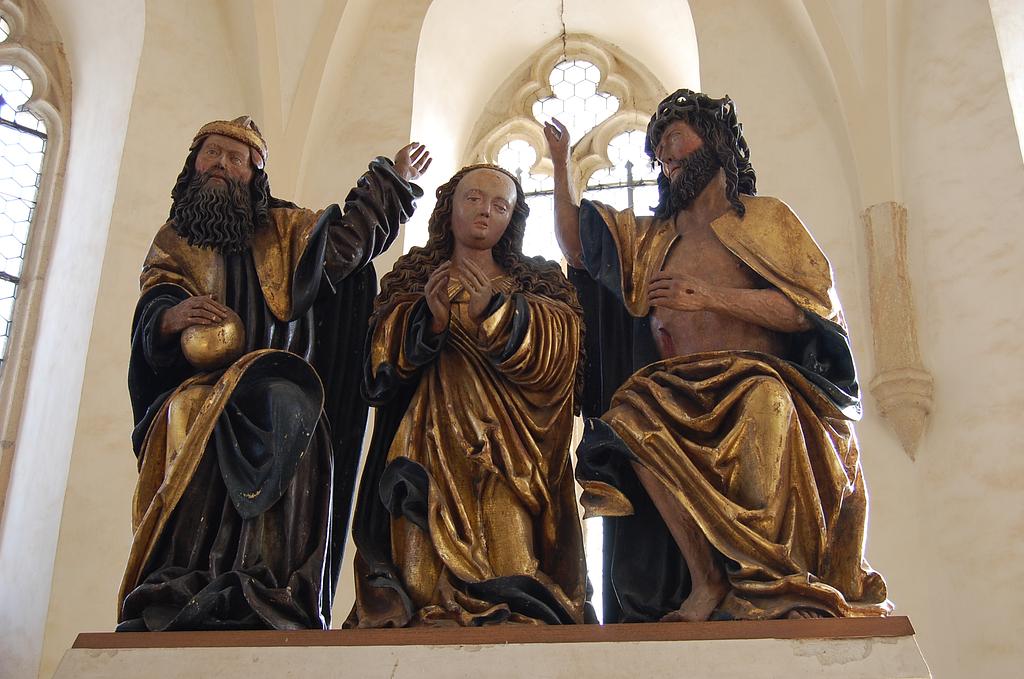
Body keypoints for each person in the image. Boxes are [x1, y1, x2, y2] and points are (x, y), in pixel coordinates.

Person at [544, 90, 891, 622]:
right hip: (676, 386)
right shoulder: (654, 237)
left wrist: (708, 297)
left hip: (757, 376)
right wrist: (560, 164)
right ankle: (705, 578)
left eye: (674, 139)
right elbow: (577, 247)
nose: (666, 156)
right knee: (629, 415)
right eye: (658, 150)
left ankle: (774, 581)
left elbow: (805, 311)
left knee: (764, 403)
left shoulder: (768, 220)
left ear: (715, 141)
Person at [119, 116, 430, 631]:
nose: (220, 164)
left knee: (288, 406)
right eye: (212, 153)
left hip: (280, 379)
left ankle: (265, 581)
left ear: (254, 174)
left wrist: (391, 182)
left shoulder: (287, 231)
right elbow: (156, 303)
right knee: (188, 413)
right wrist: (172, 319)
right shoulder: (174, 239)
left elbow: (346, 246)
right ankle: (179, 577)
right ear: (193, 163)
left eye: (235, 158)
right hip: (203, 385)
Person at [346, 164, 591, 627]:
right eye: (473, 199)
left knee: (516, 575)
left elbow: (562, 352)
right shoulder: (415, 280)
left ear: (513, 219)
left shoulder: (536, 284)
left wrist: (499, 313)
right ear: (450, 208)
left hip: (508, 455)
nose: (485, 212)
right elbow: (380, 365)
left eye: (500, 205)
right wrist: (429, 321)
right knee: (418, 587)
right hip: (425, 448)